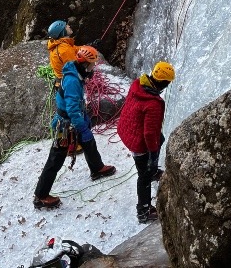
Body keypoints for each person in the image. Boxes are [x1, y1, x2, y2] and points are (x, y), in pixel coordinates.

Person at [34, 46, 116, 209]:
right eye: (92, 64)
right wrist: (82, 126)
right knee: (55, 158)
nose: (94, 67)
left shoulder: (76, 72)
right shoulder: (72, 81)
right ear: (85, 64)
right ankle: (41, 195)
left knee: (89, 143)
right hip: (65, 124)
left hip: (74, 117)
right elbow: (71, 108)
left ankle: (97, 168)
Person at [116, 61, 175, 223]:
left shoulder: (138, 85)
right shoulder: (153, 104)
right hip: (138, 142)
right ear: (164, 83)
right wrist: (153, 155)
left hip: (127, 129)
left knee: (160, 138)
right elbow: (149, 134)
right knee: (144, 175)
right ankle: (143, 210)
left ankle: (153, 171)